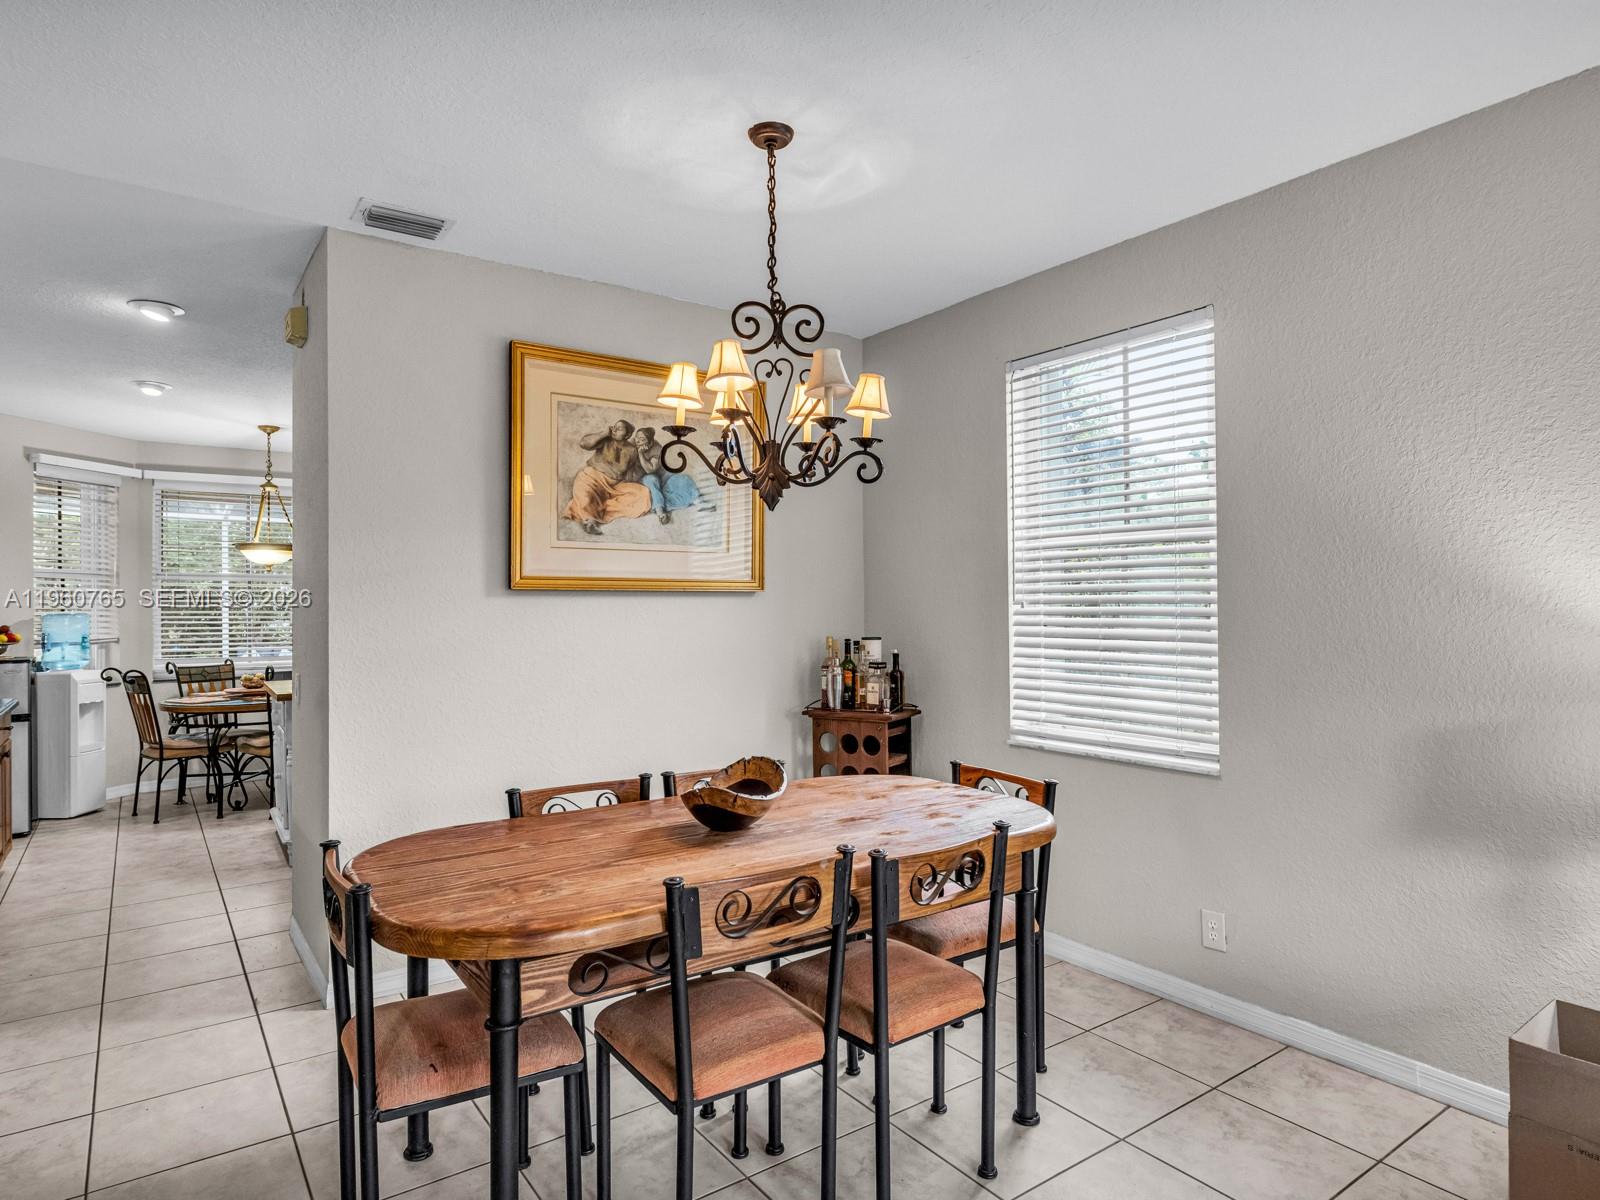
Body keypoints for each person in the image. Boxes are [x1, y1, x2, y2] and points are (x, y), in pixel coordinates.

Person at [562, 419, 652, 534]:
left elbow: (630, 472)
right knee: (586, 495)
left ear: (628, 435)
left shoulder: (632, 450)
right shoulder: (605, 440)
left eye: (619, 428)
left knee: (642, 492)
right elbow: (583, 444)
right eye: (614, 427)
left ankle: (600, 507)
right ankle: (590, 521)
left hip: (615, 485)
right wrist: (603, 433)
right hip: (592, 478)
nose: (614, 430)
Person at [632, 427, 701, 524]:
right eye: (637, 437)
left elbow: (650, 469)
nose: (638, 441)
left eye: (642, 439)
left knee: (683, 478)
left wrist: (641, 454)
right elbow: (648, 472)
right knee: (651, 479)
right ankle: (660, 511)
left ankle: (697, 500)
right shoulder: (631, 445)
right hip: (640, 479)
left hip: (659, 476)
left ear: (650, 442)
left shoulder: (656, 447)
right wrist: (640, 453)